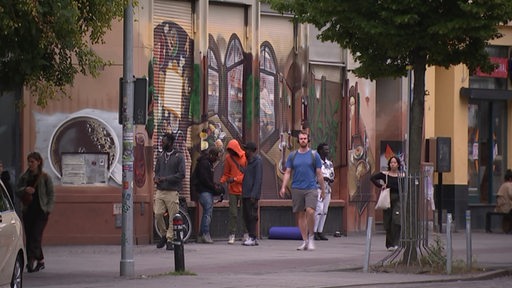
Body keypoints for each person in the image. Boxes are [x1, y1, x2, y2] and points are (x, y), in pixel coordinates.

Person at [279, 130, 326, 251]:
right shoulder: (293, 155)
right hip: (297, 188)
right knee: (300, 215)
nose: (303, 140)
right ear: (298, 140)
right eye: (301, 139)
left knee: (310, 211)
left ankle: (311, 237)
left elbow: (319, 174)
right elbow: (288, 172)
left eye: (305, 138)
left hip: (311, 188)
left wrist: (323, 189)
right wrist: (283, 187)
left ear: (308, 140)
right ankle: (304, 240)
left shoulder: (314, 155)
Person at [16, 152, 55, 273]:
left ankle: (32, 260)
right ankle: (39, 260)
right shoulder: (24, 177)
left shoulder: (45, 177)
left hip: (41, 211)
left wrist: (48, 208)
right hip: (28, 211)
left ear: (38, 162)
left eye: (32, 161)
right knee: (30, 236)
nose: (30, 164)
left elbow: (51, 194)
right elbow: (17, 191)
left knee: (35, 235)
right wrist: (24, 189)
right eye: (29, 161)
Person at [154, 132, 186, 251]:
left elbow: (182, 174)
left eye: (164, 142)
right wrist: (156, 178)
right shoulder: (161, 156)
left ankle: (169, 239)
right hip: (160, 190)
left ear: (171, 143)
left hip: (172, 191)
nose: (162, 143)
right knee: (157, 213)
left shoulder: (179, 156)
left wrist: (166, 178)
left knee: (173, 217)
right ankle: (164, 234)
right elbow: (156, 171)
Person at [370, 155, 403, 251]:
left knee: (396, 221)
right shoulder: (385, 174)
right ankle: (389, 244)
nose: (393, 164)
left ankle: (396, 242)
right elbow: (372, 178)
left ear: (398, 164)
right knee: (388, 221)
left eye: (395, 162)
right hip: (387, 199)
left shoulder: (402, 175)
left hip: (398, 200)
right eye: (391, 162)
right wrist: (381, 186)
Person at [220, 139, 248, 244]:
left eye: (232, 150)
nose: (230, 152)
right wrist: (222, 181)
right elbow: (226, 173)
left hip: (243, 189)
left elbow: (246, 174)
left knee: (244, 213)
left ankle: (245, 233)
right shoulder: (228, 158)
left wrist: (235, 179)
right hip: (232, 190)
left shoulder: (245, 157)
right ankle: (232, 234)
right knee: (233, 213)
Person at [196, 147, 222, 244]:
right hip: (204, 191)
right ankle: (205, 234)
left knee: (206, 213)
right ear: (211, 155)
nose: (217, 160)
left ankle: (201, 235)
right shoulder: (205, 164)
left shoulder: (207, 163)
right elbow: (205, 179)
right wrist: (214, 188)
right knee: (208, 213)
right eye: (216, 157)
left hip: (204, 190)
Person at [241, 142, 263, 246]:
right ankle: (251, 236)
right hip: (246, 193)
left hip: (251, 194)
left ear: (250, 151)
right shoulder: (248, 162)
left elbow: (258, 179)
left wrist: (254, 195)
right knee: (246, 215)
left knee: (251, 216)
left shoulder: (257, 161)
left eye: (246, 150)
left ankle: (253, 237)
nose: (245, 152)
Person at [313, 143, 335, 241]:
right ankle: (313, 231)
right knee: (319, 209)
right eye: (325, 149)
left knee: (325, 211)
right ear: (320, 151)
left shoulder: (330, 163)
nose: (327, 151)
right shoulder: (316, 163)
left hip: (327, 189)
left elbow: (332, 175)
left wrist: (330, 179)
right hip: (318, 188)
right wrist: (322, 178)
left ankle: (320, 231)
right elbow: (314, 176)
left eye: (328, 149)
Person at [495, 169, 512, 233]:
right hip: (506, 207)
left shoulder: (503, 185)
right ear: (510, 179)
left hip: (501, 207)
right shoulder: (509, 185)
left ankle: (507, 228)